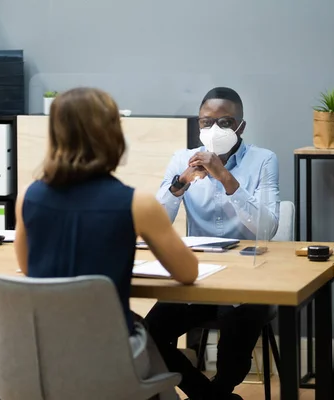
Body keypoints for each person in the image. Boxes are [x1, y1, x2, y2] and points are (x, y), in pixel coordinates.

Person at [13, 87, 199, 399]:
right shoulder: (137, 203)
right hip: (108, 359)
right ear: (112, 136)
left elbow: (27, 267)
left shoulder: (27, 197)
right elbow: (188, 272)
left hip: (42, 356)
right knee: (146, 336)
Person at [145, 87, 280, 400]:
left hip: (250, 275)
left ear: (241, 127)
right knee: (149, 336)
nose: (214, 130)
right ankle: (211, 397)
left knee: (233, 349)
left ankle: (215, 394)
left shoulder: (263, 160)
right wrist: (181, 182)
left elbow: (267, 228)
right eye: (206, 123)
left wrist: (226, 179)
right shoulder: (183, 158)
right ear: (198, 125)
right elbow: (156, 219)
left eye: (225, 122)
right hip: (198, 274)